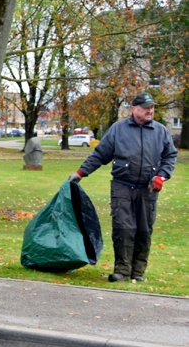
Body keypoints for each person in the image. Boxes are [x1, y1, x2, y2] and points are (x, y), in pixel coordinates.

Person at [68, 92, 177, 282]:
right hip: (122, 187)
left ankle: (138, 272)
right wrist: (80, 173)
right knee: (123, 229)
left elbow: (170, 156)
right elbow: (100, 155)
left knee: (144, 230)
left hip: (148, 189)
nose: (150, 111)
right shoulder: (119, 129)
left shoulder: (161, 131)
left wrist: (162, 175)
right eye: (146, 108)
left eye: (152, 107)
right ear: (134, 109)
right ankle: (122, 271)